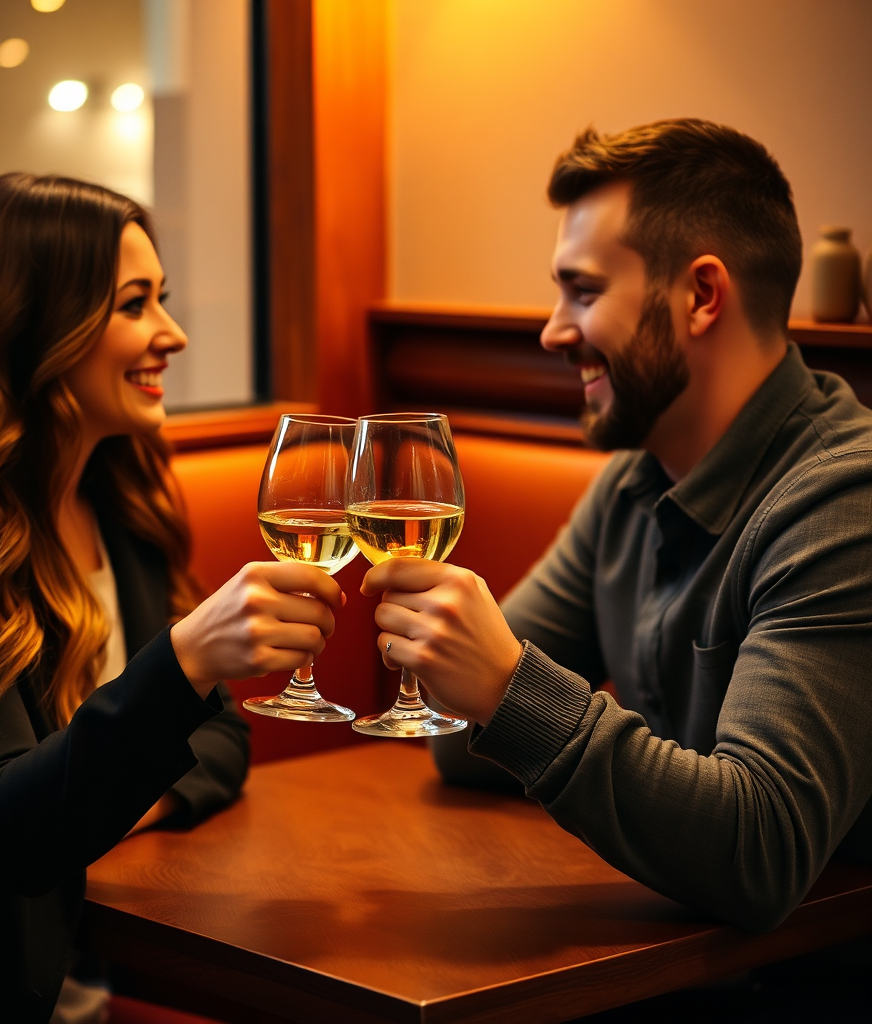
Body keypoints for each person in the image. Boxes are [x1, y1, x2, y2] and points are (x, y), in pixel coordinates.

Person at [0, 174, 343, 1023]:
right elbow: (3, 832)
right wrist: (185, 660)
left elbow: (221, 738)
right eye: (134, 305)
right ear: (27, 325)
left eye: (165, 300)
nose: (173, 335)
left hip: (92, 990)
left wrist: (105, 807)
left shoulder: (117, 492)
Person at [361, 119, 872, 932]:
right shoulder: (634, 484)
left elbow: (760, 847)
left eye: (585, 291)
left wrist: (504, 684)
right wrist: (479, 685)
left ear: (702, 296)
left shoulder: (845, 504)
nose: (553, 329)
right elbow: (459, 746)